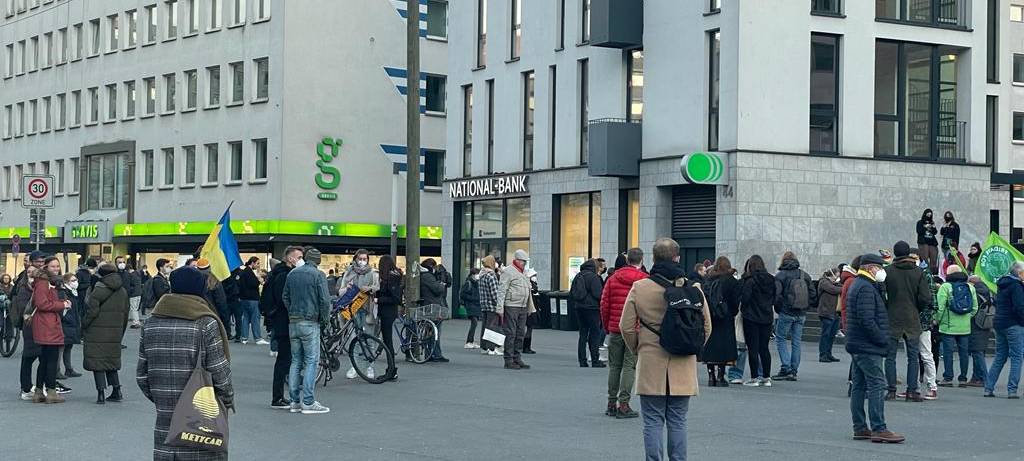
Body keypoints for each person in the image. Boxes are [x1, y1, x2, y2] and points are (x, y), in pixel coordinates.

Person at [620, 238, 712, 460]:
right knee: (678, 421)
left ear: (653, 258)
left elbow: (626, 326)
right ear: (677, 257)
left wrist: (638, 348)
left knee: (652, 421)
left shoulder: (640, 288)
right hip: (683, 361)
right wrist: (691, 345)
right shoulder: (693, 288)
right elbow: (706, 326)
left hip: (652, 360)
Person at [137, 266, 234, 460]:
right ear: (199, 289)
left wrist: (162, 398)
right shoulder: (205, 322)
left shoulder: (151, 323)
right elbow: (219, 372)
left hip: (165, 410)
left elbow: (142, 375)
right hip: (201, 412)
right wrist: (226, 399)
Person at [845, 254, 904, 443]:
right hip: (868, 345)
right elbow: (867, 319)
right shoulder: (865, 287)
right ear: (871, 268)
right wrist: (882, 339)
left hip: (858, 343)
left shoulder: (861, 284)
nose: (882, 271)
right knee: (877, 384)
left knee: (859, 386)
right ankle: (879, 428)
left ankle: (860, 427)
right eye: (880, 268)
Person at [599, 247, 647, 418]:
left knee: (614, 366)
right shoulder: (644, 280)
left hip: (615, 327)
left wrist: (607, 326)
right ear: (641, 260)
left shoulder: (612, 279)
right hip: (634, 329)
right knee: (629, 366)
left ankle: (611, 402)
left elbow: (604, 305)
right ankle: (624, 404)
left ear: (627, 261)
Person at [283, 247, 331, 414]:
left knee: (295, 361)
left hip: (293, 322)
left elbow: (285, 297)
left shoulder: (292, 274)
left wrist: (292, 312)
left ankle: (294, 401)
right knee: (311, 361)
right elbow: (325, 301)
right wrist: (325, 319)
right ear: (318, 261)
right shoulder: (318, 275)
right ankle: (308, 402)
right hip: (310, 322)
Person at [882, 241, 931, 402]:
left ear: (895, 254)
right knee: (913, 357)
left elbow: (882, 294)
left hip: (893, 317)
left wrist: (888, 307)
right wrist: (917, 308)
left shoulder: (888, 271)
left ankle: (891, 390)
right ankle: (912, 391)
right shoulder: (918, 272)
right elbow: (925, 297)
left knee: (890, 357)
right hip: (912, 317)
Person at [261, 246, 302, 409]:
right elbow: (282, 299)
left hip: (280, 320)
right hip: (283, 322)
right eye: (298, 257)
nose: (300, 260)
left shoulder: (278, 273)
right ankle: (277, 397)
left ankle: (279, 396)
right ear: (289, 258)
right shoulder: (283, 275)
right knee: (284, 360)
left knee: (285, 359)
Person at [84, 263, 130, 404]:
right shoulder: (122, 291)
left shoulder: (99, 289)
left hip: (96, 331)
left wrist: (83, 325)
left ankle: (101, 394)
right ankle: (117, 390)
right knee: (111, 361)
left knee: (97, 362)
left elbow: (92, 312)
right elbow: (126, 313)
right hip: (114, 331)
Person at [29, 256, 72, 404]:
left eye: (57, 266)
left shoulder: (47, 282)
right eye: (53, 266)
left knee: (45, 359)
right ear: (46, 267)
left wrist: (60, 302)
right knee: (52, 359)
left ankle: (39, 392)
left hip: (46, 324)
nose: (56, 269)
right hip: (47, 325)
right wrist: (62, 305)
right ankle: (51, 391)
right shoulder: (44, 282)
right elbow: (42, 304)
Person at [772, 251, 816, 381]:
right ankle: (794, 370)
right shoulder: (804, 275)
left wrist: (779, 309)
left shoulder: (781, 275)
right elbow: (813, 295)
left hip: (786, 312)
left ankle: (786, 367)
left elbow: (777, 295)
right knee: (796, 342)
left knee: (781, 338)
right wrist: (806, 306)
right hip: (801, 313)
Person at [701, 256, 740, 387]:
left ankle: (711, 376)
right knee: (724, 345)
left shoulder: (707, 280)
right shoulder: (731, 281)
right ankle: (721, 376)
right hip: (725, 316)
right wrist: (731, 312)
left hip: (710, 315)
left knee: (710, 344)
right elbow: (735, 301)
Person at [986, 261, 1024, 398]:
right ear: (1019, 273)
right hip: (1014, 324)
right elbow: (1020, 307)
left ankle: (988, 388)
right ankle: (1012, 390)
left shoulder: (1002, 284)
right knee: (1017, 357)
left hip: (999, 322)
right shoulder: (1016, 286)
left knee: (1000, 356)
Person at [936, 265, 978, 387]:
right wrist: (967, 317)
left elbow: (940, 307)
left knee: (948, 353)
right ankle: (963, 378)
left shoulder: (945, 287)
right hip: (965, 327)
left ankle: (948, 378)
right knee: (964, 353)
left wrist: (937, 320)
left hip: (948, 326)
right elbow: (975, 307)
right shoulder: (970, 287)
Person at [342, 249, 381, 377]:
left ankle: (369, 366)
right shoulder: (349, 272)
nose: (362, 261)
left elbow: (377, 287)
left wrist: (369, 288)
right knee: (355, 338)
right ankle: (355, 366)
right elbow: (341, 290)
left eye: (365, 259)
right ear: (355, 259)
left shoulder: (373, 273)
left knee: (369, 339)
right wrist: (346, 288)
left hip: (367, 308)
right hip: (353, 309)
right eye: (360, 259)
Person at [740, 255, 775, 387]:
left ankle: (754, 377)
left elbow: (745, 298)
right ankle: (767, 377)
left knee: (753, 348)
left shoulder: (750, 281)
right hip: (766, 316)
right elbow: (775, 297)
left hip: (751, 317)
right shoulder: (771, 279)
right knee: (764, 348)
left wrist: (744, 310)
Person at [497, 249, 535, 370]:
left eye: (525, 261)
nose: (524, 263)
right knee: (511, 333)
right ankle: (508, 360)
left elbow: (528, 291)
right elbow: (502, 290)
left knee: (520, 333)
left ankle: (517, 358)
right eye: (523, 261)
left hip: (522, 306)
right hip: (511, 306)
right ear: (517, 260)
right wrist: (500, 308)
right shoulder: (508, 271)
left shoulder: (524, 272)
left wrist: (530, 307)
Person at [913, 250, 940, 400]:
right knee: (914, 355)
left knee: (925, 354)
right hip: (916, 320)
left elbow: (930, 301)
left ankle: (931, 386)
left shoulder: (925, 274)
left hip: (921, 321)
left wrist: (926, 318)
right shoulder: (918, 273)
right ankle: (914, 386)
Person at [571, 259, 605, 367]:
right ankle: (595, 359)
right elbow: (598, 294)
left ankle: (582, 360)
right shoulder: (593, 277)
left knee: (583, 334)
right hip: (592, 309)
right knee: (594, 334)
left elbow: (572, 292)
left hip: (579, 308)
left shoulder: (578, 276)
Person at [375, 255, 402, 379]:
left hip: (387, 312)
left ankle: (391, 370)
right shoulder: (395, 276)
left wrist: (378, 299)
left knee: (388, 341)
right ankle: (391, 370)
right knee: (387, 341)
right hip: (389, 312)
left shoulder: (391, 278)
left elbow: (395, 298)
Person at [419, 259, 450, 363]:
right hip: (431, 307)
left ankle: (432, 353)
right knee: (434, 332)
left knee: (432, 332)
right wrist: (441, 282)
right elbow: (438, 289)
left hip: (430, 306)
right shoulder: (427, 276)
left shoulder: (425, 275)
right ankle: (434, 354)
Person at [966, 275, 992, 388]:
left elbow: (971, 308)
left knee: (977, 352)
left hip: (976, 324)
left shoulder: (974, 293)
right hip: (985, 323)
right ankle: (976, 377)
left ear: (972, 283)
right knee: (979, 351)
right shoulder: (988, 291)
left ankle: (984, 378)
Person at [196, 258, 230, 339]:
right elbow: (221, 302)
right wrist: (226, 326)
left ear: (197, 268)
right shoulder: (214, 280)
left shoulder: (193, 280)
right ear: (209, 267)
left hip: (196, 314)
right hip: (212, 314)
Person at [236, 256, 267, 345]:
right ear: (252, 263)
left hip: (243, 299)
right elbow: (253, 284)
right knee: (255, 318)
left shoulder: (243, 272)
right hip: (252, 298)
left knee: (245, 318)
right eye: (257, 263)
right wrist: (258, 280)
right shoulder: (249, 272)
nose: (258, 265)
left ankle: (244, 338)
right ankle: (257, 338)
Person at [58, 273, 83, 379]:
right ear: (66, 282)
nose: (75, 282)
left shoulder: (74, 292)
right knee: (61, 348)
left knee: (68, 346)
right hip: (66, 323)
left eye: (75, 280)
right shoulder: (64, 293)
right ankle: (57, 370)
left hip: (72, 323)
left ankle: (69, 369)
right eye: (73, 280)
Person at [477, 255, 502, 356]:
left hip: (484, 305)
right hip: (492, 306)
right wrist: (500, 305)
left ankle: (483, 346)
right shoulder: (491, 275)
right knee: (492, 327)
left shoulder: (481, 275)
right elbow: (495, 293)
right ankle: (491, 348)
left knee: (485, 326)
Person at [817, 266, 842, 363]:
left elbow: (838, 287)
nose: (837, 278)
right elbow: (833, 290)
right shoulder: (824, 282)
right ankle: (823, 355)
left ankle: (828, 353)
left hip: (834, 312)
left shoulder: (834, 283)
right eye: (836, 275)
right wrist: (842, 287)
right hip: (826, 312)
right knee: (825, 334)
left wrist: (839, 285)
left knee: (831, 335)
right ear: (831, 275)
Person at [116, 257, 142, 329]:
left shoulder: (128, 274)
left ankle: (136, 322)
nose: (122, 264)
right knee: (134, 308)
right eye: (120, 262)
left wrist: (129, 292)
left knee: (133, 309)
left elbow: (130, 285)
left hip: (131, 295)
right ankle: (136, 322)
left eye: (123, 262)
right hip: (136, 294)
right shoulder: (136, 274)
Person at [461, 268, 482, 349]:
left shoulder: (476, 282)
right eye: (477, 274)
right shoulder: (468, 283)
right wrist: (473, 298)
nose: (478, 276)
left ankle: (471, 341)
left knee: (474, 324)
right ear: (473, 275)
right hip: (471, 305)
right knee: (474, 323)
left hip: (475, 305)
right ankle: (469, 341)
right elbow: (462, 294)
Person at [916, 209, 939, 274]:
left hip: (932, 242)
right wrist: (925, 227)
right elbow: (919, 231)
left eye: (930, 215)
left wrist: (933, 227)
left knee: (934, 259)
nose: (929, 216)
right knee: (924, 259)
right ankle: (925, 273)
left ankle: (933, 273)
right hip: (923, 242)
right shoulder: (920, 222)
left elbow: (935, 232)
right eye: (928, 214)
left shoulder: (932, 222)